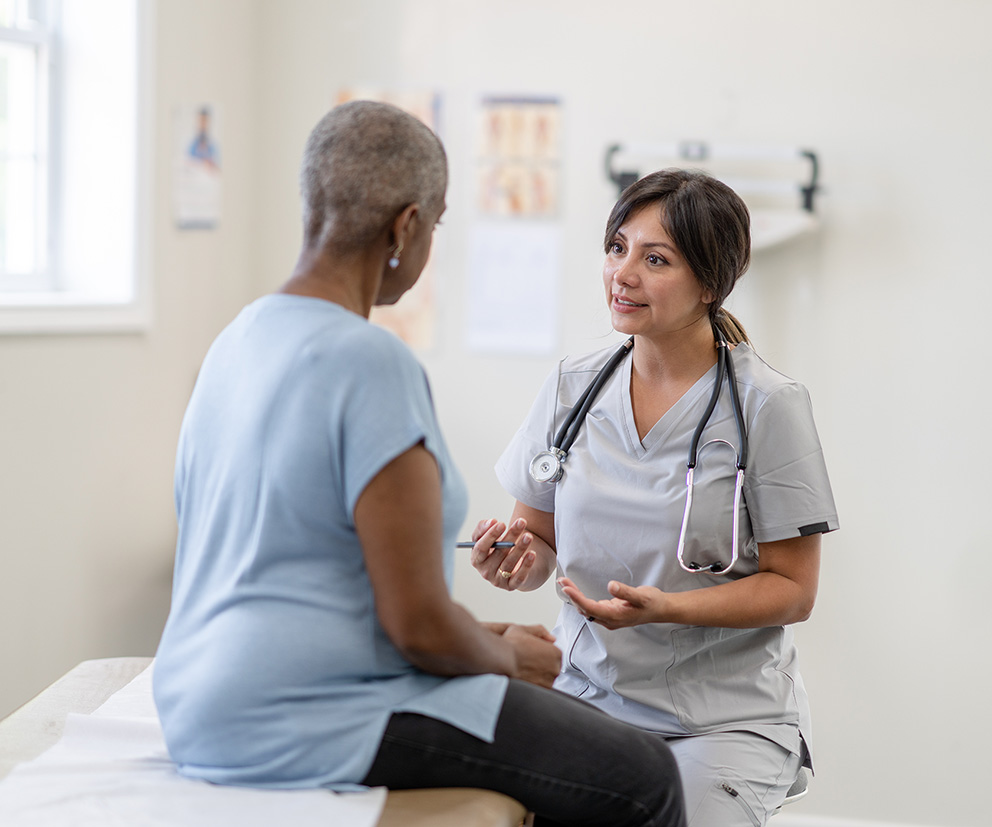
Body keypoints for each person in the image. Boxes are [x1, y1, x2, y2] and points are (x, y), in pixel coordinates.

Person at [152, 100, 686, 827]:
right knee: (644, 774)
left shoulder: (237, 340)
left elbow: (310, 576)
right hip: (307, 715)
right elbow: (417, 628)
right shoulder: (369, 360)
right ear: (405, 227)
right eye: (434, 224)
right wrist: (509, 661)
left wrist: (485, 635)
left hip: (196, 702)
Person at [469, 169, 839, 827]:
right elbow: (538, 546)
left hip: (721, 720)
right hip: (586, 700)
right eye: (617, 248)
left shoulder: (768, 406)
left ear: (709, 283)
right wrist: (516, 559)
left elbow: (794, 588)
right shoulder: (570, 388)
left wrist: (666, 608)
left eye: (656, 258)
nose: (623, 273)